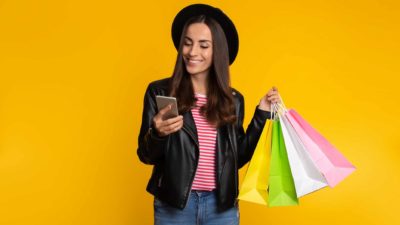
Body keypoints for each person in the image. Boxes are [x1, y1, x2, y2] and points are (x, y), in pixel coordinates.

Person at [137, 3, 281, 225]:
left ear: (218, 52)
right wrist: (157, 133)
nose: (192, 52)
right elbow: (146, 155)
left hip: (221, 206)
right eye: (187, 43)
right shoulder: (160, 92)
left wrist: (262, 114)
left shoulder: (233, 100)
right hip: (174, 206)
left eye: (204, 45)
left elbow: (237, 157)